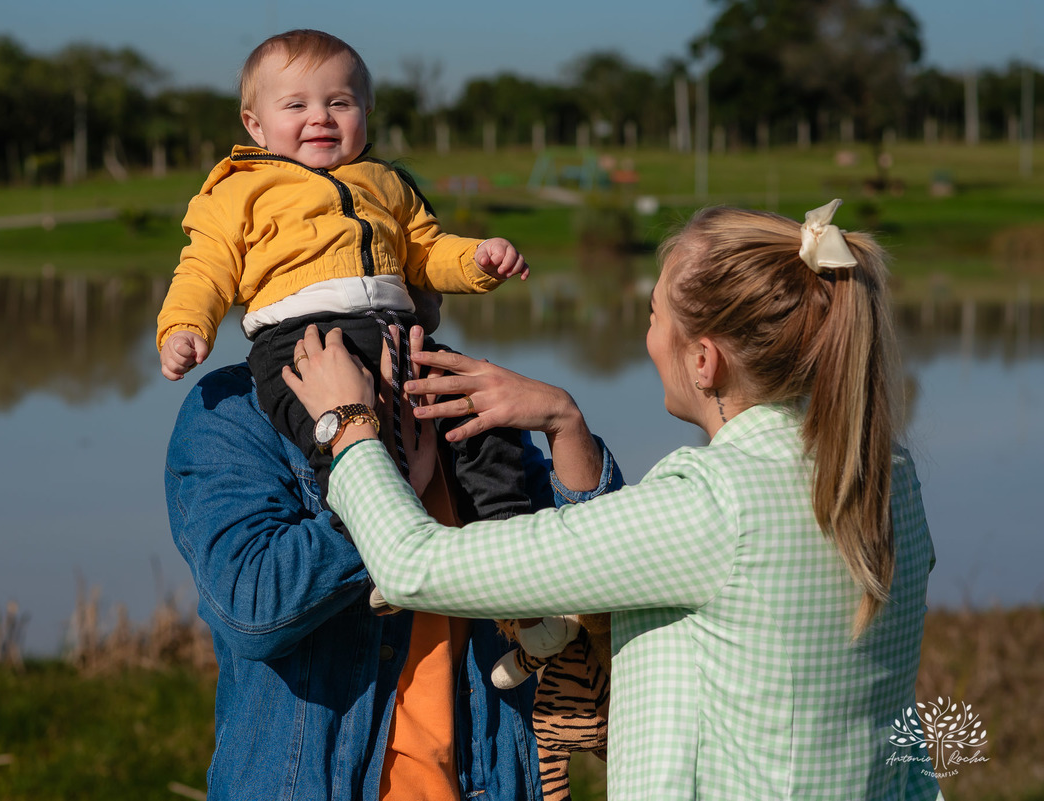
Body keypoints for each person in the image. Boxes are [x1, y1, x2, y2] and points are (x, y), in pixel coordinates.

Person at [284, 200, 943, 800]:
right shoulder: (888, 476)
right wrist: (564, 420)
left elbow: (414, 565)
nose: (649, 336)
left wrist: (349, 424)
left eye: (655, 316)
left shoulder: (711, 506)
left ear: (705, 361)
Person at [163, 333, 592, 799]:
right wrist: (377, 477)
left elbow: (597, 580)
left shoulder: (461, 396)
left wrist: (564, 422)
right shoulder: (235, 410)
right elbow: (253, 607)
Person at [156, 28, 533, 535]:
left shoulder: (385, 183)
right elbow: (204, 269)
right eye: (296, 105)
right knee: (341, 443)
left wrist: (478, 259)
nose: (320, 117)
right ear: (256, 126)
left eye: (339, 102)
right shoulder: (237, 192)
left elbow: (424, 252)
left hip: (402, 335)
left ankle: (511, 545)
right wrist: (185, 327)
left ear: (365, 113)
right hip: (302, 340)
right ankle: (377, 552)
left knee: (483, 419)